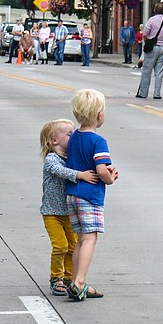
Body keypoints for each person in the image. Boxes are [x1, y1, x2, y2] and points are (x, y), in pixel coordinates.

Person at [64, 89, 118, 302]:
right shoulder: (98, 141)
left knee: (80, 239)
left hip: (72, 194)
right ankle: (79, 282)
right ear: (99, 115)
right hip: (90, 196)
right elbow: (102, 170)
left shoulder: (74, 137)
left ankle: (76, 280)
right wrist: (109, 178)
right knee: (90, 238)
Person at [39, 119, 98, 296]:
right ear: (54, 140)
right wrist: (80, 175)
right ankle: (55, 278)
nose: (73, 137)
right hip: (52, 213)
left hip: (70, 211)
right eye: (69, 134)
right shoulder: (51, 159)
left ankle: (70, 278)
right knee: (60, 246)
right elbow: (61, 171)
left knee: (73, 245)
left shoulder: (72, 157)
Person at [136, 4, 163, 99]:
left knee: (147, 71)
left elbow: (145, 33)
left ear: (154, 10)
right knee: (159, 72)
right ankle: (157, 93)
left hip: (153, 47)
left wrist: (147, 40)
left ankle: (143, 93)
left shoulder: (151, 20)